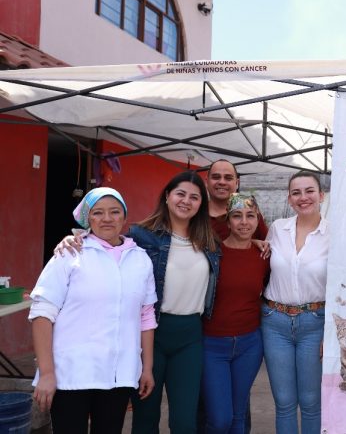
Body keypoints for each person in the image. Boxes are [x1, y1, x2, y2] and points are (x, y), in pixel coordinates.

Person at [29, 187, 156, 433]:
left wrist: (146, 368)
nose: (107, 218)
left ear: (124, 216)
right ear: (88, 219)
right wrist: (46, 372)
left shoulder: (140, 260)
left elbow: (146, 316)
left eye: (114, 212)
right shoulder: (69, 254)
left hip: (118, 375)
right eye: (98, 213)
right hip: (71, 374)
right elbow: (42, 312)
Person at [128, 171, 220, 433]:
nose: (186, 201)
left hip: (190, 335)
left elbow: (240, 243)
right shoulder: (139, 236)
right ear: (167, 196)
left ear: (201, 203)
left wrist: (260, 241)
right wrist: (76, 239)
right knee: (145, 417)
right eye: (180, 194)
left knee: (184, 420)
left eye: (194, 197)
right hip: (151, 334)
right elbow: (107, 249)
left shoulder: (209, 242)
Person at [261, 171, 328, 434]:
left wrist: (332, 333)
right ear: (289, 199)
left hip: (315, 323)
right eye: (296, 192)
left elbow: (343, 286)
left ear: (321, 195)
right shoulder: (277, 228)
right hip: (274, 322)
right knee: (284, 402)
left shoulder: (334, 233)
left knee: (311, 402)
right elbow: (262, 260)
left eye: (309, 191)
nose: (303, 197)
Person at [202, 193, 268, 433]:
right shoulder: (211, 253)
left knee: (238, 416)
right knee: (220, 419)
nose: (244, 222)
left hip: (249, 345)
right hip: (212, 344)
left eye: (250, 216)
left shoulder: (264, 255)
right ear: (227, 221)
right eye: (237, 216)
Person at [206, 159, 268, 241]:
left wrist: (253, 243)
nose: (222, 182)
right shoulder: (195, 213)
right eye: (216, 177)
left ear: (237, 183)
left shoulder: (250, 211)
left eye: (228, 178)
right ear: (207, 181)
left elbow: (267, 245)